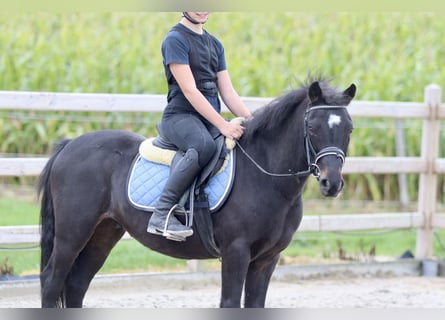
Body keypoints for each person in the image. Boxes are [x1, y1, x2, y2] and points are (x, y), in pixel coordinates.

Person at [147, 12, 252, 240]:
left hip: (207, 119)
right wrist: (223, 124)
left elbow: (228, 91)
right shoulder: (175, 39)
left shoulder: (215, 44)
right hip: (180, 116)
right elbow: (190, 90)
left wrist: (251, 119)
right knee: (203, 146)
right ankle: (162, 212)